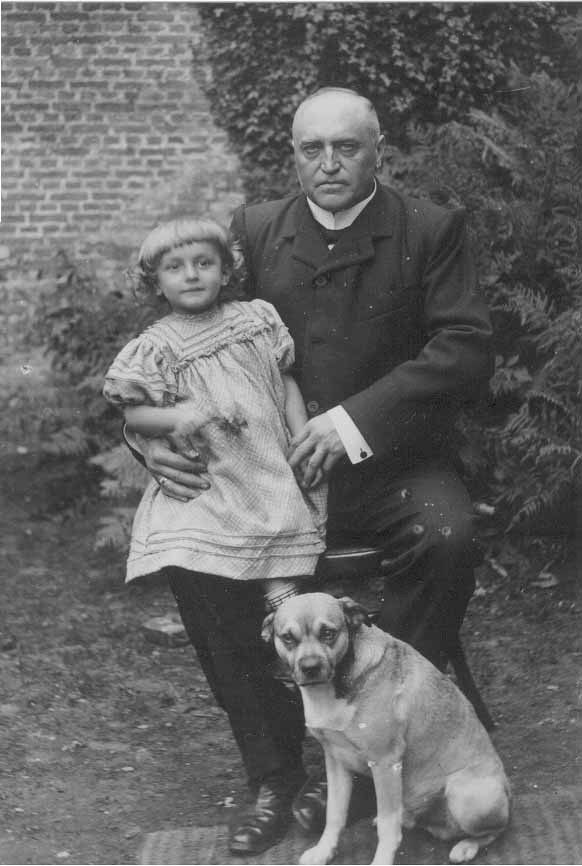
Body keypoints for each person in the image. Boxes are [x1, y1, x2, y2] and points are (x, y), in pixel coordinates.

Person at [133, 87, 494, 855]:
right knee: (194, 557)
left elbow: (465, 348)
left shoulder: (430, 229)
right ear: (292, 152)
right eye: (310, 149)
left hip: (391, 462)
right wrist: (151, 443)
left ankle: (376, 750)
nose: (328, 165)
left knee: (449, 535)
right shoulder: (257, 230)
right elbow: (190, 342)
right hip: (271, 472)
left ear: (377, 150)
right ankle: (275, 773)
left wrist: (353, 420)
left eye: (347, 148)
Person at [103, 218, 328, 636]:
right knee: (218, 525)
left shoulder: (257, 319)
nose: (191, 275)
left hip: (266, 457)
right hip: (215, 468)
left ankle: (287, 615)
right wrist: (177, 416)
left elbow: (286, 381)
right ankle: (279, 609)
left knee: (275, 506)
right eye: (175, 267)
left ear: (225, 272)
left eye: (204, 262)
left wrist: (301, 435)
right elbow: (134, 415)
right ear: (155, 284)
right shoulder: (156, 347)